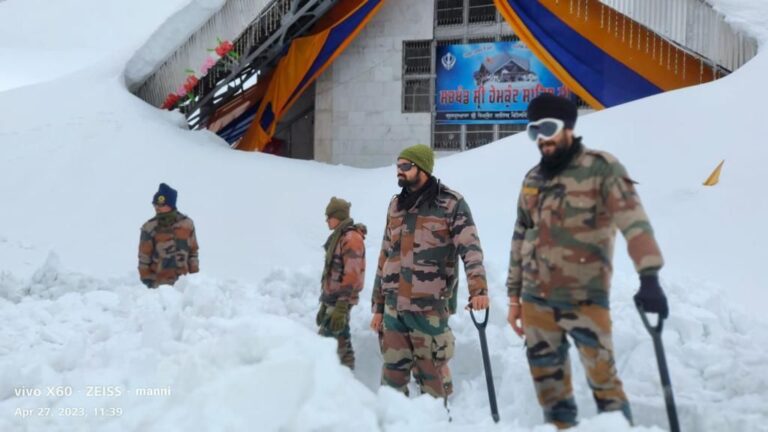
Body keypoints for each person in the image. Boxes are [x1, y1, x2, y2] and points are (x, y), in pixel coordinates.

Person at [506, 93, 669, 429]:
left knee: (605, 387)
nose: (543, 138)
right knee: (551, 394)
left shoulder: (601, 168)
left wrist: (649, 276)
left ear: (568, 127)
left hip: (585, 301)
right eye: (535, 131)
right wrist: (513, 296)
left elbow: (633, 221)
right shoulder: (532, 179)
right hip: (536, 301)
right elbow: (521, 236)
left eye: (549, 128)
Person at [370, 144, 490, 401]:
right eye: (397, 166)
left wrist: (478, 290)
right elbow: (384, 255)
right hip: (394, 309)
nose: (399, 172)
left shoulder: (450, 204)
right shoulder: (396, 206)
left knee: (433, 379)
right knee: (392, 379)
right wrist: (378, 307)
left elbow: (470, 249)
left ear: (421, 168)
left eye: (405, 166)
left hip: (429, 310)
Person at [317, 197, 366, 369]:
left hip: (340, 301)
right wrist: (325, 303)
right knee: (339, 341)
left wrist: (341, 306)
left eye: (329, 216)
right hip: (334, 300)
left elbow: (351, 274)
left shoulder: (351, 238)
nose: (326, 220)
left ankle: (345, 382)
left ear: (337, 216)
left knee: (330, 342)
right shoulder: (339, 237)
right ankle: (344, 381)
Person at [138, 183, 199, 288]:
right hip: (159, 288)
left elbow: (193, 253)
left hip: (183, 287)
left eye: (161, 205)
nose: (157, 207)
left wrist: (194, 279)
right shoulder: (149, 228)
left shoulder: (187, 224)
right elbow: (144, 259)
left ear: (171, 204)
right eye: (155, 204)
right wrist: (149, 283)